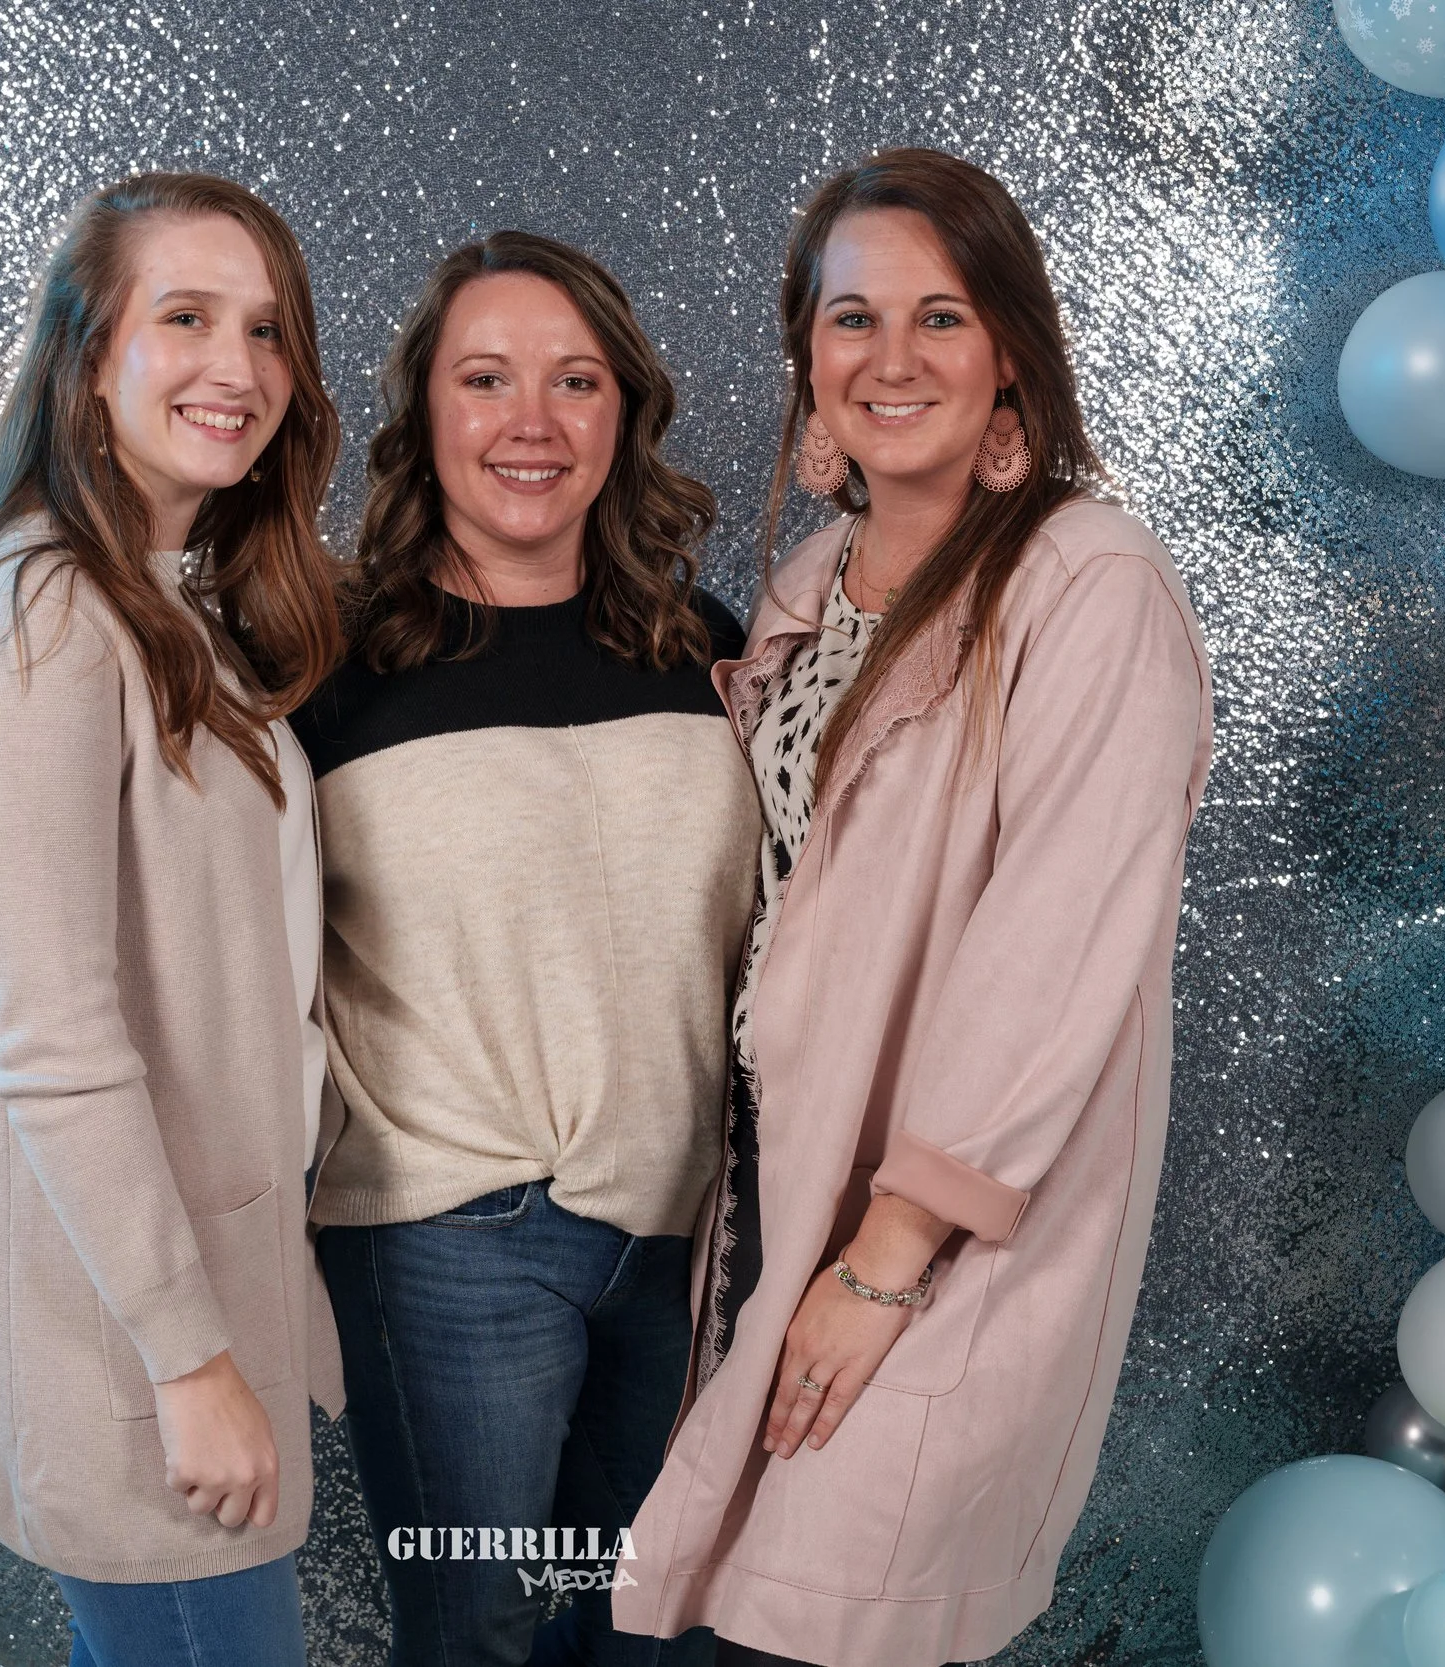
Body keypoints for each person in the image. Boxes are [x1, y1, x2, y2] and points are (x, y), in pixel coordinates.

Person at [612, 149, 1215, 1667]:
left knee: (830, 1617)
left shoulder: (1089, 581)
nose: (892, 360)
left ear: (1011, 348)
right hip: (765, 1191)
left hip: (941, 1230)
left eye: (940, 318)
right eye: (851, 319)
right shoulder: (818, 578)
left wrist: (886, 1258)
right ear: (807, 359)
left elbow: (1058, 940)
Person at [0, 171, 347, 1667]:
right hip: (127, 1348)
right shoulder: (43, 619)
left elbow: (41, 934)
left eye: (269, 329)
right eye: (189, 319)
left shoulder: (154, 600)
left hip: (189, 1298)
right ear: (88, 361)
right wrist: (188, 1357)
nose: (242, 369)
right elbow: (61, 1029)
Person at [292, 229, 756, 1667]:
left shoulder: (707, 646)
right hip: (450, 1237)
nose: (532, 423)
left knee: (651, 1621)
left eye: (576, 380)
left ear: (627, 412)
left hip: (685, 1232)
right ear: (423, 414)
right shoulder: (322, 663)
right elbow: (145, 886)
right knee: (481, 1625)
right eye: (485, 378)